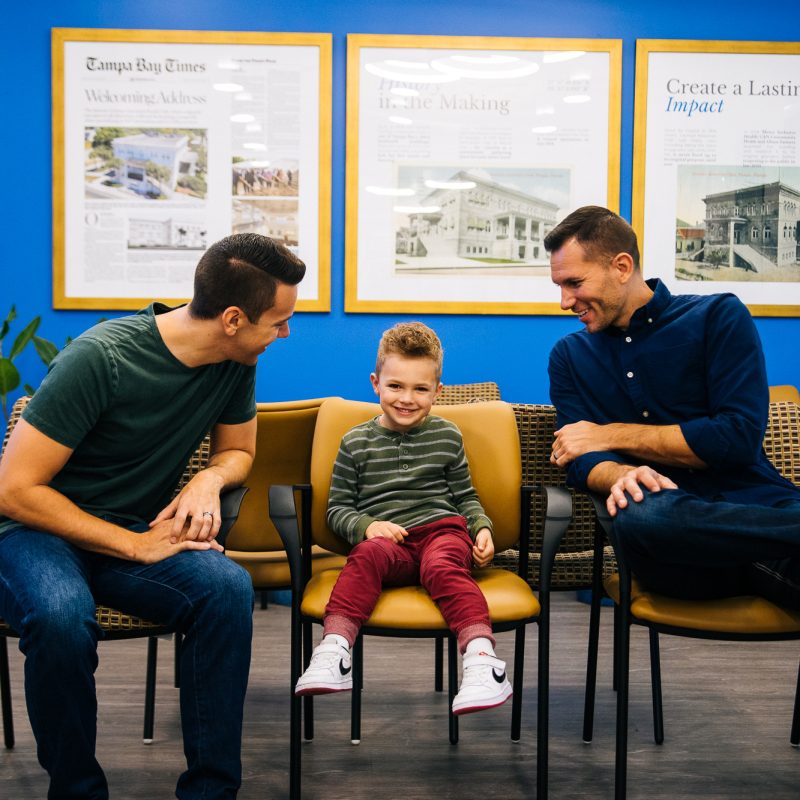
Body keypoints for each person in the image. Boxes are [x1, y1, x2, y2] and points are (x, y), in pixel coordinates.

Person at [0, 233, 305, 799]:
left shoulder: (234, 360)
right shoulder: (102, 358)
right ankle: (76, 791)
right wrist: (132, 543)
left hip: (135, 534)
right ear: (234, 318)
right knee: (62, 615)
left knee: (225, 589)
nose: (285, 333)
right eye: (278, 321)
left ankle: (210, 792)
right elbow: (14, 491)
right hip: (34, 532)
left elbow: (237, 451)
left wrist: (208, 480)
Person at [544, 205, 800, 607]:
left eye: (574, 283)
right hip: (672, 537)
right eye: (559, 286)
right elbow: (580, 458)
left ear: (622, 266)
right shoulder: (569, 357)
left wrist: (608, 434)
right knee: (644, 516)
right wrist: (620, 475)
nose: (564, 301)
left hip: (761, 507)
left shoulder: (718, 317)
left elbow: (735, 440)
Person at [294, 322, 512, 715]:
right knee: (365, 555)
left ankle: (482, 661)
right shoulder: (355, 442)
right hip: (390, 544)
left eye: (420, 389)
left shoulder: (447, 435)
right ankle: (335, 650)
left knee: (442, 565)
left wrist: (481, 528)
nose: (407, 399)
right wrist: (367, 526)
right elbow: (337, 510)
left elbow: (465, 497)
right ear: (376, 383)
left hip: (441, 532)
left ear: (437, 392)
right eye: (395, 386)